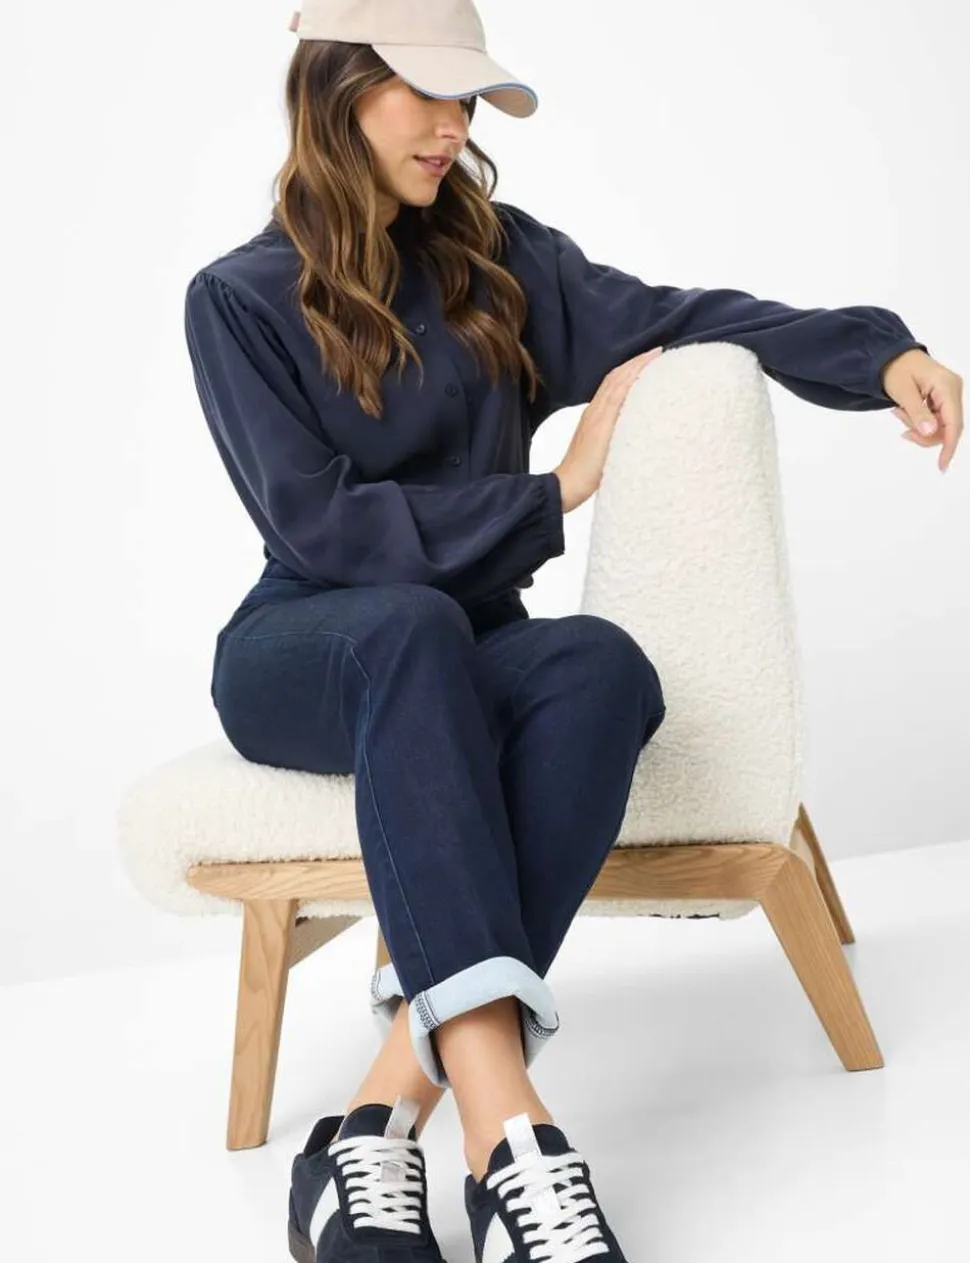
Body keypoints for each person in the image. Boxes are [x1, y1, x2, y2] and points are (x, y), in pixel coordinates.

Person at [183, 4, 944, 1262]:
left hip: (459, 644)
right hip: (305, 652)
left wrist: (875, 354)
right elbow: (321, 528)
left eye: (466, 101)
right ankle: (510, 1139)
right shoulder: (236, 299)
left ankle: (370, 1125)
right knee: (410, 630)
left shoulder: (497, 264)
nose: (452, 126)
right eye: (425, 94)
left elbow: (679, 315)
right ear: (336, 91)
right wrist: (554, 492)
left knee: (597, 666)